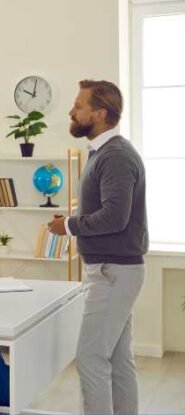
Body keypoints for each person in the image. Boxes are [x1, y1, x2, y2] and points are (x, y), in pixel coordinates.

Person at [48, 80, 147, 415]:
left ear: (100, 113)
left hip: (112, 273)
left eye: (79, 105)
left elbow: (115, 217)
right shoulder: (104, 153)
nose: (72, 111)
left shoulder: (116, 156)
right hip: (115, 270)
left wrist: (70, 226)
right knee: (119, 360)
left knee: (91, 358)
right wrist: (75, 221)